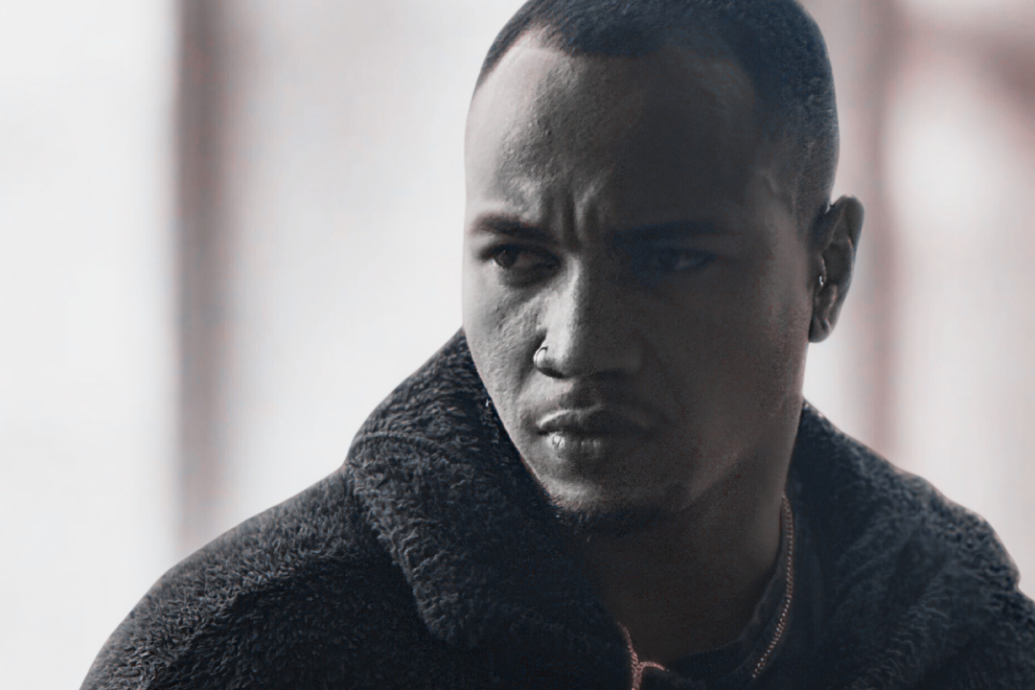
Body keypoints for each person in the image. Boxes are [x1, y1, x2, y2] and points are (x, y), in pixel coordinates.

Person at [82, 1, 1035, 688]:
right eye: (520, 259)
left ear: (824, 271)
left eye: (664, 260)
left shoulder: (981, 657)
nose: (578, 344)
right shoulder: (237, 658)